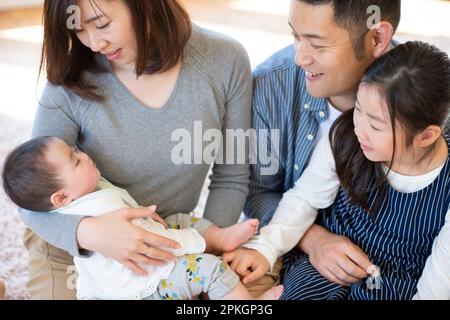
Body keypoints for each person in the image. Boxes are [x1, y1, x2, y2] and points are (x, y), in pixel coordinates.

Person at [19, 0, 252, 299]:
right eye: (78, 29)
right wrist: (93, 233)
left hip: (165, 238)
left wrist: (209, 254)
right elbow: (32, 204)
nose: (93, 42)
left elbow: (232, 176)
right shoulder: (69, 82)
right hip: (75, 246)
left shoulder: (223, 59)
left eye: (102, 24)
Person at [228, 41, 450, 299]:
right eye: (358, 109)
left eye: (376, 126)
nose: (360, 130)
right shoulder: (346, 135)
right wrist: (265, 248)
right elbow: (305, 197)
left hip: (394, 283)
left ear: (426, 136)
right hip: (323, 269)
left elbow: (439, 281)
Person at [226, 0, 402, 289]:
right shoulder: (271, 86)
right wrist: (312, 238)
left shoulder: (428, 100)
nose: (300, 59)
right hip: (293, 256)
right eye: (296, 37)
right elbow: (258, 192)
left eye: (317, 45)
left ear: (377, 38)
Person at [2, 136, 282, 300]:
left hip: (150, 250)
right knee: (209, 269)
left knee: (180, 219)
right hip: (147, 284)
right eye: (76, 161)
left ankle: (220, 237)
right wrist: (191, 244)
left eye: (77, 151)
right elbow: (160, 246)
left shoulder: (87, 191)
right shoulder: (97, 210)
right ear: (61, 198)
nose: (85, 155)